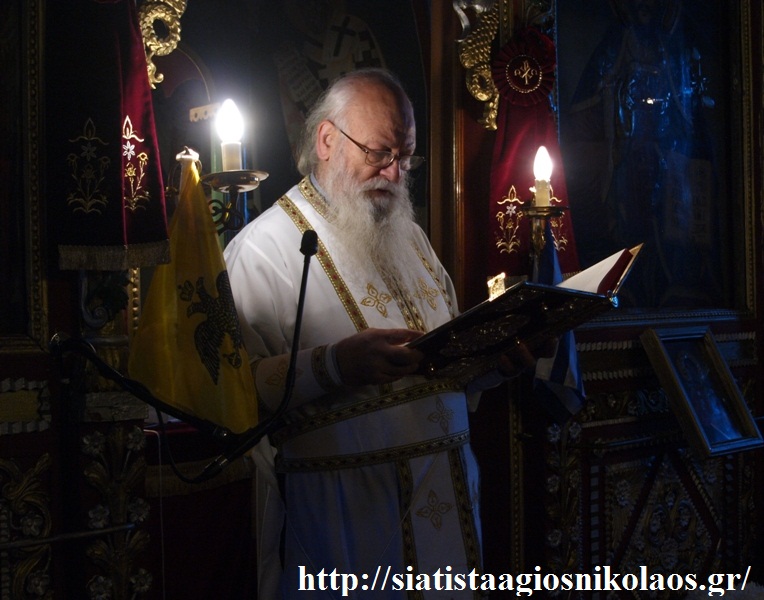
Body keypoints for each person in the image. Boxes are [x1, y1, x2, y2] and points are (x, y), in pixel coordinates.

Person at [224, 67, 540, 598]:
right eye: (379, 153)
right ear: (327, 140)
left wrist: (490, 364)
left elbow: (439, 376)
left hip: (448, 500)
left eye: (405, 157)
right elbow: (230, 397)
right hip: (346, 517)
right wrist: (334, 365)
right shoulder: (261, 250)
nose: (393, 173)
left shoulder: (411, 239)